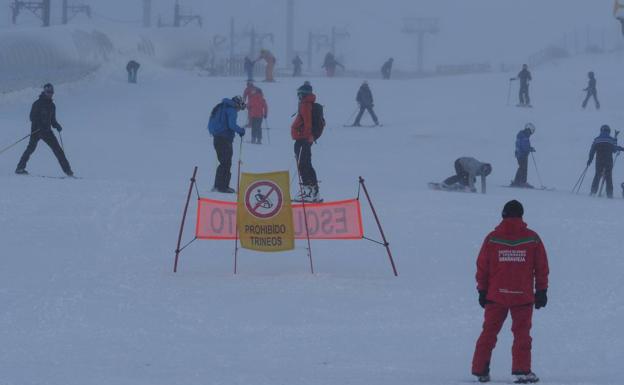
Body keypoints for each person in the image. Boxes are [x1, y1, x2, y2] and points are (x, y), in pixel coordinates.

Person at [471, 200, 549, 384]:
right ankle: (522, 371)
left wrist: (482, 290)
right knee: (522, 334)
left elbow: (482, 267)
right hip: (522, 297)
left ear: (503, 215)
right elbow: (541, 267)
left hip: (496, 296)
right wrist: (542, 290)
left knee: (488, 332)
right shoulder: (532, 238)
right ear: (521, 216)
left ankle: (479, 370)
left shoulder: (492, 238)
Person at [15, 83, 74, 177]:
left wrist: (57, 125)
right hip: (36, 131)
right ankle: (20, 168)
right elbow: (32, 117)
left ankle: (68, 172)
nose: (50, 94)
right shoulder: (37, 103)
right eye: (48, 92)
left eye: (51, 92)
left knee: (58, 150)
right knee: (30, 149)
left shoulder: (52, 106)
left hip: (47, 132)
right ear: (44, 92)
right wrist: (39, 125)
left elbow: (52, 120)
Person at [207, 96, 246, 193]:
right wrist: (241, 131)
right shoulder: (231, 110)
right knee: (226, 163)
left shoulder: (221, 107)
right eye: (240, 108)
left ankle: (218, 186)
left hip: (217, 138)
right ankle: (222, 187)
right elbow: (231, 125)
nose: (238, 111)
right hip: (225, 139)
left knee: (223, 162)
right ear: (238, 104)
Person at [291, 83, 321, 202]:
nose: (298, 96)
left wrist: (307, 136)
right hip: (305, 139)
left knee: (303, 165)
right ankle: (314, 192)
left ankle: (307, 191)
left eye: (299, 93)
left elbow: (308, 122)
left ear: (303, 94)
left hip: (303, 139)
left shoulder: (305, 105)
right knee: (307, 164)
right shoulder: (308, 104)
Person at [587, 125, 624, 198]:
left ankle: (593, 192)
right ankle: (609, 194)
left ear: (601, 131)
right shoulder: (610, 140)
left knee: (597, 175)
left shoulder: (597, 139)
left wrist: (590, 160)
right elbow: (614, 150)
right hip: (608, 160)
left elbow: (592, 151)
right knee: (608, 177)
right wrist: (622, 148)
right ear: (609, 131)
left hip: (599, 160)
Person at [511, 123, 536, 188]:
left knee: (521, 168)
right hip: (522, 154)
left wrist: (529, 148)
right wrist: (529, 149)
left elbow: (524, 145)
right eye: (530, 132)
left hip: (521, 154)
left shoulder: (522, 135)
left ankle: (517, 181)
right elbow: (524, 146)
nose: (530, 134)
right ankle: (522, 182)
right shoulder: (523, 136)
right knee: (523, 168)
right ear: (528, 130)